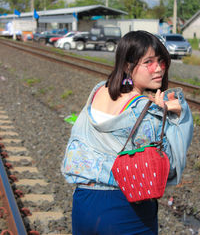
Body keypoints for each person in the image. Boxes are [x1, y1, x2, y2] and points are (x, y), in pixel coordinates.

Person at [61, 30, 193, 235]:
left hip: (84, 204)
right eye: (148, 62)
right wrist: (178, 116)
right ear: (127, 65)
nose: (158, 69)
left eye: (161, 61)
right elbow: (171, 168)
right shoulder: (147, 113)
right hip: (125, 209)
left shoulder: (98, 91)